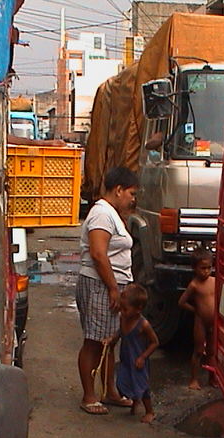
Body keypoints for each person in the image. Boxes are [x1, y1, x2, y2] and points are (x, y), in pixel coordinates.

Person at [76, 166, 139, 415]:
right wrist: (113, 288)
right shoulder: (101, 214)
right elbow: (98, 254)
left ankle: (109, 391)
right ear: (118, 190)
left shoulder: (112, 214)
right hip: (99, 285)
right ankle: (89, 395)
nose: (133, 199)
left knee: (109, 342)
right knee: (94, 341)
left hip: (113, 284)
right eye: (131, 193)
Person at [105, 284, 159, 423]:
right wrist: (112, 340)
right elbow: (120, 333)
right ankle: (135, 402)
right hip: (126, 359)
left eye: (125, 309)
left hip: (138, 361)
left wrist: (142, 357)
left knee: (142, 386)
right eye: (121, 308)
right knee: (124, 382)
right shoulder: (124, 319)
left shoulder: (143, 325)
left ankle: (150, 411)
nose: (122, 312)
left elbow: (155, 342)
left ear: (138, 309)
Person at [178, 248, 216, 390]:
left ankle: (213, 378)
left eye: (209, 268)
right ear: (194, 268)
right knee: (198, 351)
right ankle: (194, 379)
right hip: (200, 321)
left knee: (212, 351)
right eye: (202, 268)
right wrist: (196, 311)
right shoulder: (194, 285)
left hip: (214, 321)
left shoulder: (214, 281)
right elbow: (182, 302)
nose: (206, 271)